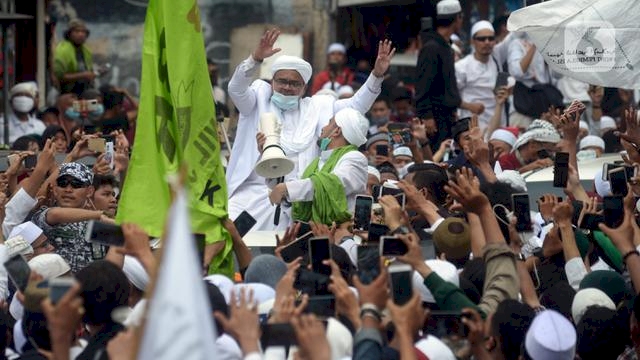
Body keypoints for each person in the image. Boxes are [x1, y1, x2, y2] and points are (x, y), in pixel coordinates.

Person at [226, 28, 394, 230]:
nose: (287, 87)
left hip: (301, 197)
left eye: (294, 83)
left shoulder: (319, 106)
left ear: (304, 87)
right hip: (254, 193)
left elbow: (357, 106)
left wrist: (376, 75)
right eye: (282, 81)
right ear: (272, 82)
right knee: (234, 236)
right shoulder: (257, 100)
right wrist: (255, 59)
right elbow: (235, 89)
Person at [269, 108, 368, 225]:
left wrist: (287, 189)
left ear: (337, 131)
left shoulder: (355, 158)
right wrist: (270, 155)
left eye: (329, 123)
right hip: (309, 231)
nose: (323, 127)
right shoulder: (317, 162)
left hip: (338, 234)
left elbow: (333, 183)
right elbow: (295, 185)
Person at [31, 162, 112, 272]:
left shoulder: (100, 224)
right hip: (56, 286)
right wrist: (99, 214)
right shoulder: (44, 214)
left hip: (92, 286)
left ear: (89, 191)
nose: (68, 189)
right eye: (63, 183)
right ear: (55, 190)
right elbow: (55, 214)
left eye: (76, 184)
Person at [415, 0, 463, 152]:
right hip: (435, 118)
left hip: (447, 115)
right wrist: (427, 116)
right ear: (457, 19)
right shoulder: (432, 48)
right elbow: (422, 86)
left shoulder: (444, 46)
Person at [455, 21, 502, 131]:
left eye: (491, 39)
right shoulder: (461, 66)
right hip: (470, 122)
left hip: (496, 121)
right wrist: (469, 106)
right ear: (472, 41)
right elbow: (451, 97)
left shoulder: (496, 60)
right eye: (482, 39)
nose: (487, 42)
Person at [53, 19, 96, 96]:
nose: (81, 34)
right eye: (77, 31)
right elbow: (59, 76)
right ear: (69, 34)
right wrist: (83, 75)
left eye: (83, 32)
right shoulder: (63, 50)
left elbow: (89, 71)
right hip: (68, 94)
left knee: (96, 103)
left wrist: (94, 73)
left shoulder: (87, 51)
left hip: (85, 92)